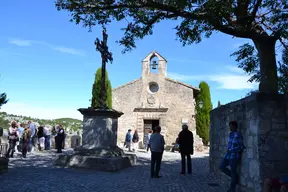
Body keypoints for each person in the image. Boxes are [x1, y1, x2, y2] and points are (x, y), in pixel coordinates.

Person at [218, 121, 244, 192]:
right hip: (227, 156)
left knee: (233, 171)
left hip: (234, 156)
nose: (230, 127)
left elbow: (241, 147)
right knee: (221, 166)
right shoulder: (230, 134)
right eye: (229, 126)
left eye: (231, 126)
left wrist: (232, 150)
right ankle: (236, 178)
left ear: (235, 127)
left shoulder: (238, 135)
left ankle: (231, 189)